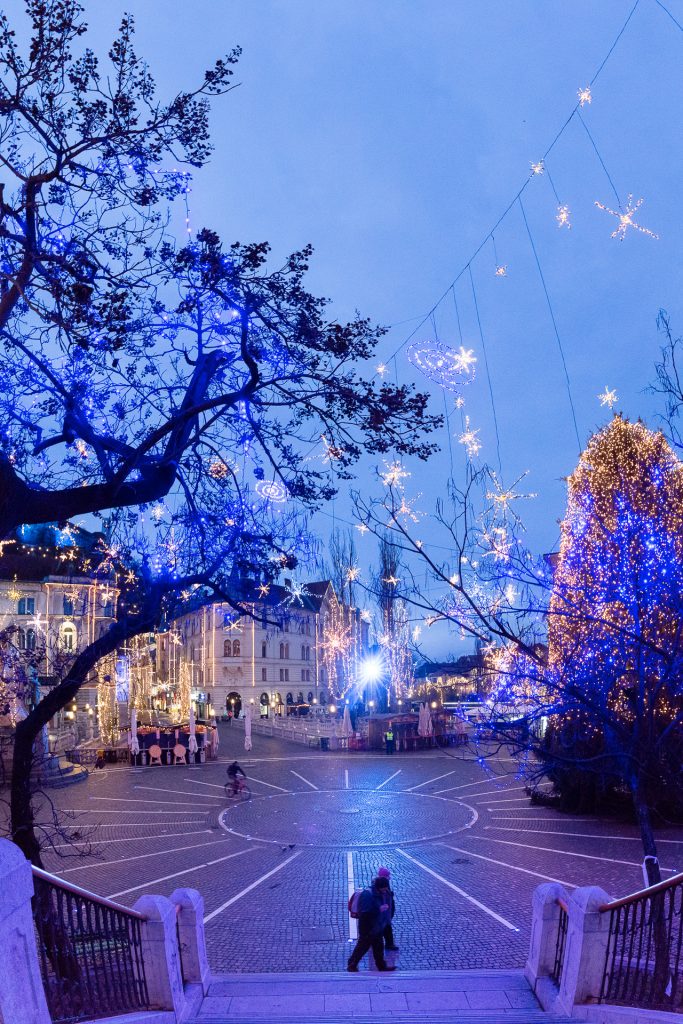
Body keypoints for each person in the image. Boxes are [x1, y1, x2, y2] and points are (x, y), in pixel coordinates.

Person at [347, 876, 397, 972]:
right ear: (379, 887)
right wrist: (379, 909)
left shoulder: (383, 893)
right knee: (363, 946)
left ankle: (381, 966)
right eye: (384, 888)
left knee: (378, 946)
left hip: (377, 926)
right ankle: (352, 964)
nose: (386, 889)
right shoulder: (367, 894)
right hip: (367, 926)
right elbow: (365, 912)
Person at [377, 866, 399, 951]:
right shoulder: (382, 884)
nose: (389, 877)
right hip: (384, 912)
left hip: (387, 912)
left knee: (386, 927)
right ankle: (389, 944)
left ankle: (388, 943)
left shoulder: (384, 883)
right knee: (385, 927)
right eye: (387, 876)